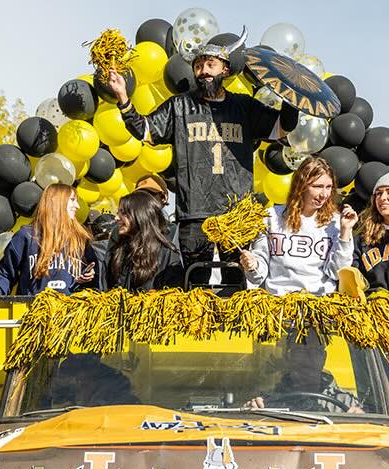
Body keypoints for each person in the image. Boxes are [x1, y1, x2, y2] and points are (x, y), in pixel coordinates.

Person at [107, 32, 280, 286]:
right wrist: (123, 97)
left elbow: (279, 129)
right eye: (198, 66)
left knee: (236, 281)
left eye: (210, 65)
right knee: (194, 283)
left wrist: (291, 98)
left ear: (225, 69)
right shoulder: (179, 106)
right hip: (194, 213)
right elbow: (144, 130)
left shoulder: (244, 106)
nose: (203, 71)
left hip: (236, 214)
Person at [241, 156, 356, 296]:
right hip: (278, 304)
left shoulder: (336, 222)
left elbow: (336, 273)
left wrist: (345, 232)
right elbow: (257, 275)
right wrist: (252, 266)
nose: (324, 194)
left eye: (328, 187)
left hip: (319, 304)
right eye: (317, 186)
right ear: (301, 186)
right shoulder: (271, 217)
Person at [0, 184, 99, 296]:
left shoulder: (81, 238)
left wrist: (89, 275)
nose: (77, 206)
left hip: (71, 310)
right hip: (32, 309)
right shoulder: (27, 235)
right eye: (72, 200)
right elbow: (5, 272)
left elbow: (94, 280)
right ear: (57, 202)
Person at [245, 334, 364, 414]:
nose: (308, 359)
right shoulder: (268, 402)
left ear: (323, 358)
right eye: (300, 351)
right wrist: (251, 412)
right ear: (288, 357)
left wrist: (361, 420)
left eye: (315, 351)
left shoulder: (346, 402)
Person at [105, 190, 184, 291]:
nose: (116, 218)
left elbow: (173, 294)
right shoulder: (118, 248)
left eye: (123, 213)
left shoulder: (166, 252)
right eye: (118, 212)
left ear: (140, 215)